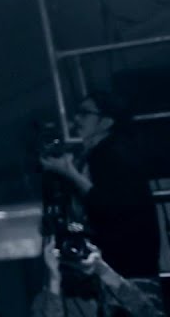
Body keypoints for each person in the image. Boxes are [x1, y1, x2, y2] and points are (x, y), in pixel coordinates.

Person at [40, 90, 161, 282]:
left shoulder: (111, 154)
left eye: (84, 113)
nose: (76, 119)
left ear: (106, 122)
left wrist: (70, 173)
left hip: (126, 259)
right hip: (127, 257)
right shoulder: (105, 152)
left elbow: (107, 205)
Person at [29, 237, 165, 317]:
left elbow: (149, 313)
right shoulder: (45, 301)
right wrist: (54, 278)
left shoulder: (115, 294)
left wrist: (103, 270)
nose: (75, 252)